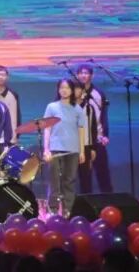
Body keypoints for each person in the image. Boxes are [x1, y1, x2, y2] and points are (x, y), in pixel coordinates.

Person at [43, 79, 86, 216]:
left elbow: (81, 131)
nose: (64, 90)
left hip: (72, 150)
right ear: (58, 89)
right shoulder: (51, 107)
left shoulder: (78, 109)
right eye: (62, 87)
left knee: (69, 181)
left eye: (67, 88)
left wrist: (82, 151)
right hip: (55, 149)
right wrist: (46, 149)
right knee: (54, 181)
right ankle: (53, 210)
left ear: (72, 90)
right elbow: (47, 128)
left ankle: (68, 211)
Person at [74, 64, 113, 192]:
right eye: (81, 73)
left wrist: (105, 135)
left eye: (86, 73)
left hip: (98, 139)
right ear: (77, 75)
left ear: (92, 75)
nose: (83, 75)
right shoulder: (73, 93)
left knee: (103, 173)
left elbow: (103, 116)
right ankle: (86, 201)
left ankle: (108, 200)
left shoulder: (98, 93)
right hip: (81, 141)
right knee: (84, 176)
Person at [0, 65, 20, 144]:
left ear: (7, 77)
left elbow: (16, 117)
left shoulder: (13, 95)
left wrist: (15, 136)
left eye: (3, 75)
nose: (0, 77)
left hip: (9, 137)